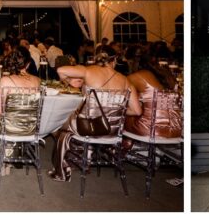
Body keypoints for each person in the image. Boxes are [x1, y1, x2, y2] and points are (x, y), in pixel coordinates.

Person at [49, 45, 141, 182]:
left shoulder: (87, 71)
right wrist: (114, 109)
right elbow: (137, 110)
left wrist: (69, 81)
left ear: (96, 58)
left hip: (88, 128)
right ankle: (81, 157)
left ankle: (63, 168)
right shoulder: (126, 81)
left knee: (60, 125)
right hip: (112, 131)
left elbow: (61, 70)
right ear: (114, 60)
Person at [0, 49, 41, 168]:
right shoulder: (37, 81)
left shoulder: (6, 80)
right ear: (28, 64)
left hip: (9, 126)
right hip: (30, 127)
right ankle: (9, 157)